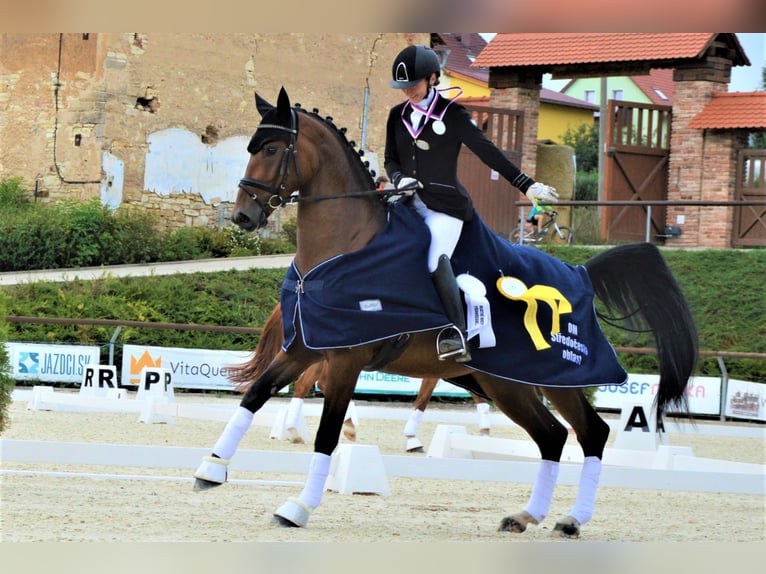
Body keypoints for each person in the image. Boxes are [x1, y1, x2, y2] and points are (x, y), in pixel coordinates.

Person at [384, 44, 559, 363]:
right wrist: (398, 179)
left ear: (432, 78)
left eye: (414, 83)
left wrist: (527, 185)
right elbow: (390, 159)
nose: (408, 91)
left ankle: (455, 332)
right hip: (408, 203)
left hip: (444, 208)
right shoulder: (397, 115)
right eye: (403, 86)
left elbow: (488, 152)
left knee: (435, 259)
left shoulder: (453, 114)